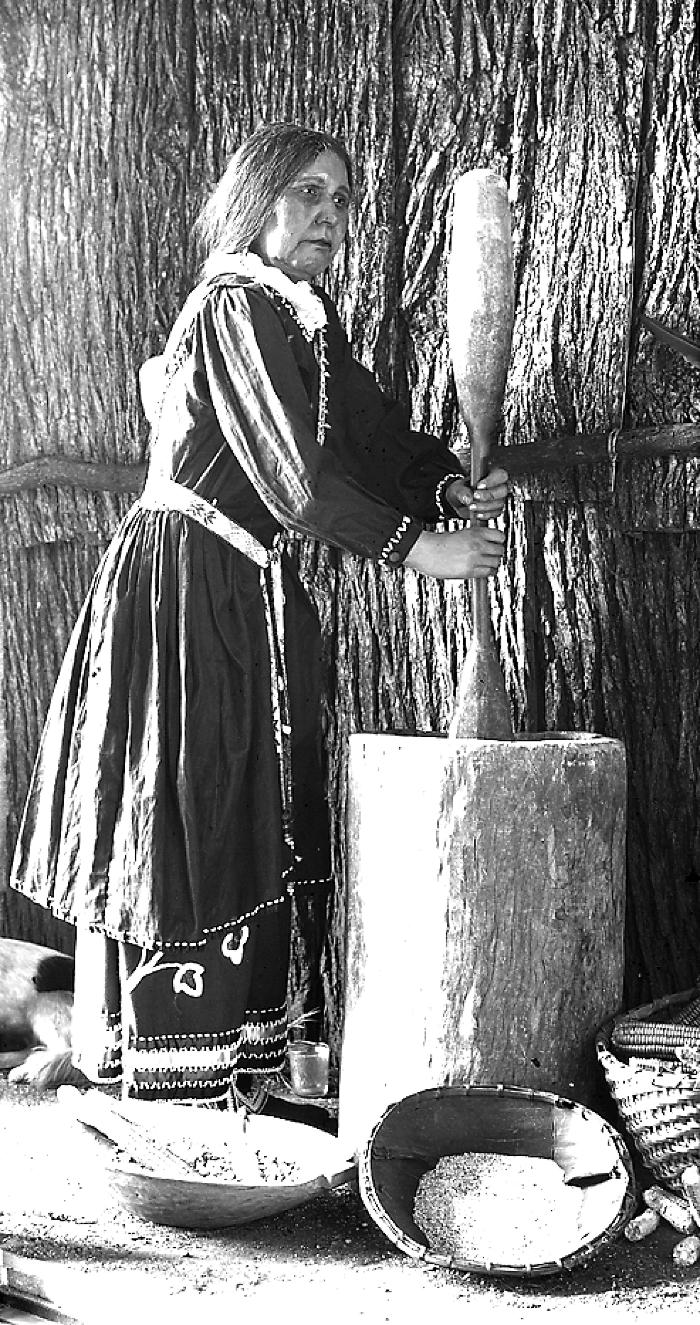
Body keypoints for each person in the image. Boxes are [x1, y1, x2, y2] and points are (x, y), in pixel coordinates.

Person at [8, 122, 509, 1106]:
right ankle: (167, 1076)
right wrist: (422, 547)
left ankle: (238, 1072)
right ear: (255, 204)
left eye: (340, 199)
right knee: (190, 803)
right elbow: (294, 473)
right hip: (183, 583)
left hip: (242, 582)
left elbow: (363, 442)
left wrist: (448, 490)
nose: (328, 215)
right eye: (306, 193)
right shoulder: (234, 304)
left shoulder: (302, 320)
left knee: (247, 810)